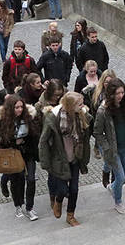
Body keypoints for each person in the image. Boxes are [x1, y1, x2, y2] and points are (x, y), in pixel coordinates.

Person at [39, 91, 92, 226]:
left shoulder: (81, 115)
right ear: (70, 106)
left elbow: (86, 136)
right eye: (79, 104)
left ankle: (70, 215)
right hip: (59, 159)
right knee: (63, 190)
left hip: (75, 158)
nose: (83, 106)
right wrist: (45, 161)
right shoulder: (54, 118)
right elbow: (43, 141)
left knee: (74, 189)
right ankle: (58, 200)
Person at [93, 78, 125, 214]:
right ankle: (118, 202)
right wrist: (106, 147)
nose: (120, 96)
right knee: (120, 177)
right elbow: (97, 132)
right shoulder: (103, 110)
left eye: (122, 92)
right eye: (117, 93)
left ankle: (113, 187)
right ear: (111, 94)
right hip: (112, 149)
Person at [0, 94, 41, 220]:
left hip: (28, 152)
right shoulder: (4, 121)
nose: (19, 110)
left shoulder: (29, 118)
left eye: (21, 107)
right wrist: (14, 141)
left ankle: (29, 207)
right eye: (16, 107)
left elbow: (35, 135)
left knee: (31, 179)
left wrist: (25, 140)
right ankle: (18, 204)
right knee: (17, 180)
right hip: (12, 154)